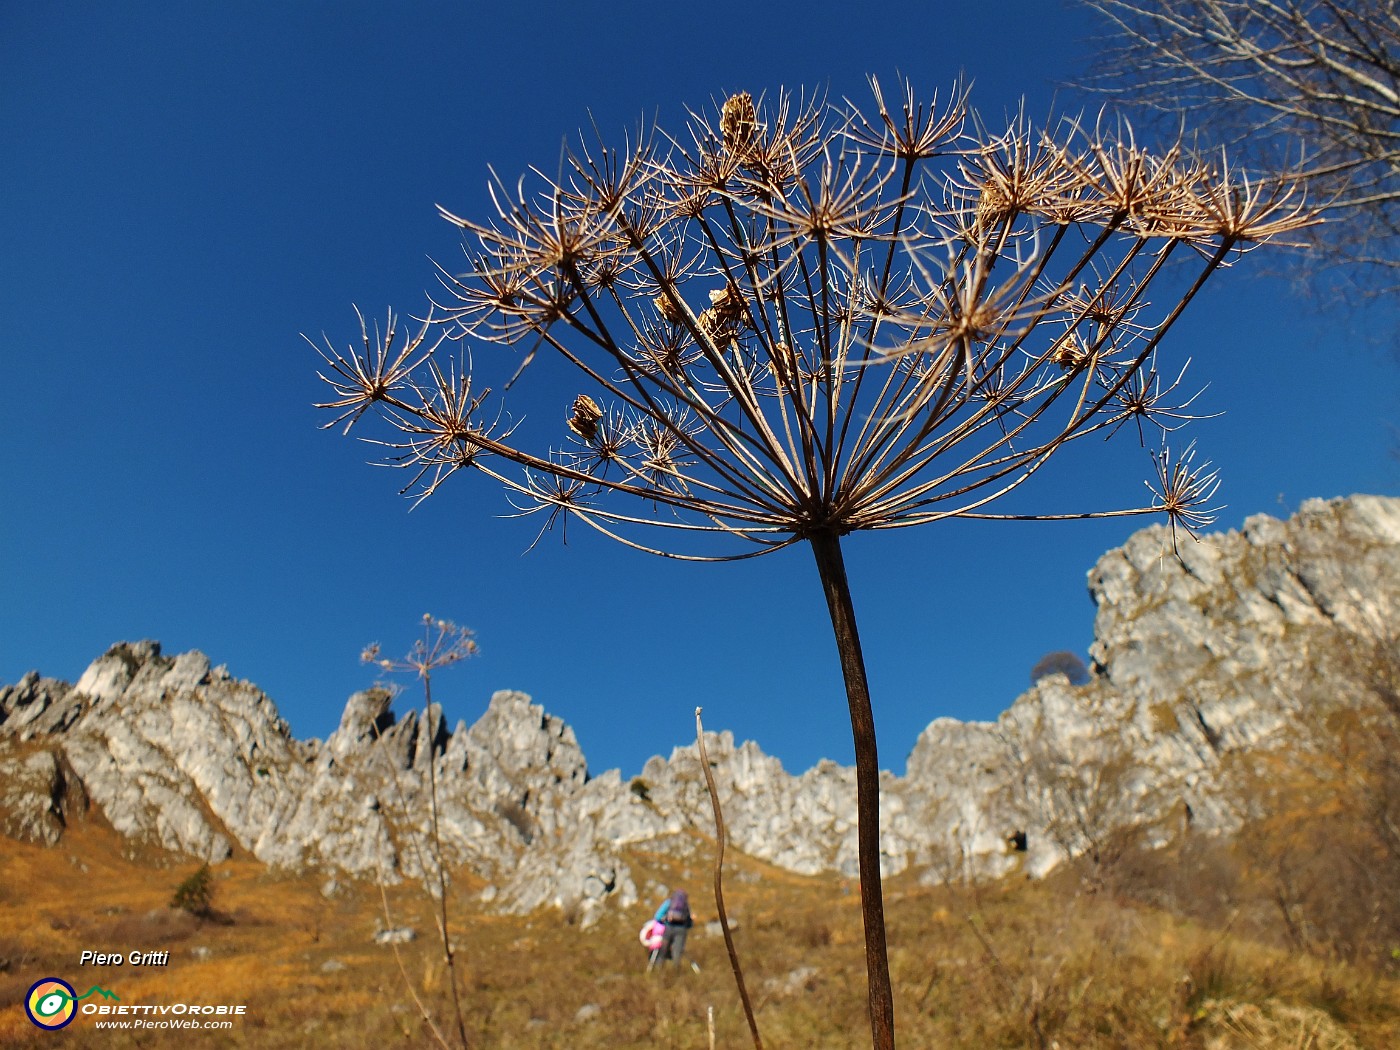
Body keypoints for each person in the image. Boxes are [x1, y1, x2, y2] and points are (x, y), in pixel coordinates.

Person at [654, 889, 693, 968]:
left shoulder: (669, 903)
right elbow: (689, 921)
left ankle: (658, 971)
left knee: (663, 950)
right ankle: (675, 972)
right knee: (677, 952)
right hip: (681, 930)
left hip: (668, 928)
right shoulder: (685, 905)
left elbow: (657, 916)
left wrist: (664, 922)